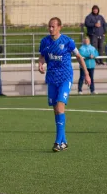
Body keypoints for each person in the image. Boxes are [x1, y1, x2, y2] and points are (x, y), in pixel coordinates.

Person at [38, 18, 91, 152]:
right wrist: (40, 64)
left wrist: (86, 73)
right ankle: (64, 141)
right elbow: (42, 56)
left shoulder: (68, 41)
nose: (51, 29)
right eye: (49, 26)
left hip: (65, 78)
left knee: (60, 106)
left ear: (59, 27)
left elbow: (79, 57)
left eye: (53, 26)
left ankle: (57, 142)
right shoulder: (45, 41)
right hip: (51, 78)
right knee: (56, 110)